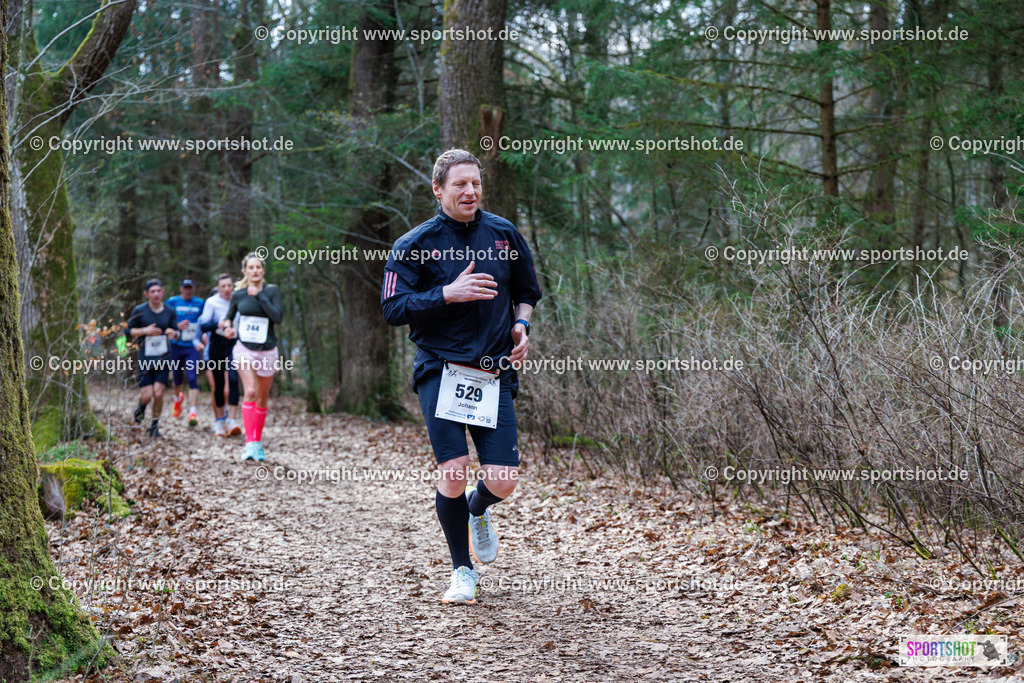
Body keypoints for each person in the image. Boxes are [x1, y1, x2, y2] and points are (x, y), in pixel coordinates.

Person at [381, 149, 541, 605]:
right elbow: (392, 307)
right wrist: (446, 294)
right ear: (438, 189)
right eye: (460, 185)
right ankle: (462, 572)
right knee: (452, 471)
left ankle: (477, 509)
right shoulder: (414, 244)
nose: (470, 191)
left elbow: (528, 292)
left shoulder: (504, 234)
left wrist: (522, 324)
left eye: (476, 183)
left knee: (504, 478)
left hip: (492, 371)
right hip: (440, 369)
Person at [220, 253, 282, 461]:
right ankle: (249, 443)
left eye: (258, 267)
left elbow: (278, 317)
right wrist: (227, 328)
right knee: (251, 391)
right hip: (244, 349)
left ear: (263, 270)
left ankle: (257, 441)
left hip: (267, 349)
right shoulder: (238, 294)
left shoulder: (271, 291)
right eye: (251, 267)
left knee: (262, 399)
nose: (255, 270)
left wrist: (260, 296)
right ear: (244, 271)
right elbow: (228, 318)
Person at [125, 279, 180, 438]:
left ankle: (154, 426)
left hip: (164, 358)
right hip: (145, 359)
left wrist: (173, 333)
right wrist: (145, 331)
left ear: (163, 292)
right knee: (147, 394)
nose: (156, 294)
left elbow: (177, 333)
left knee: (158, 393)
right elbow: (127, 331)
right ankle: (141, 407)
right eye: (152, 291)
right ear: (147, 294)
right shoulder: (140, 310)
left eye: (158, 291)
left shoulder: (169, 311)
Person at [199, 274, 242, 436]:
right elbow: (203, 326)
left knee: (233, 379)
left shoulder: (238, 300)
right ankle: (220, 420)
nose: (226, 289)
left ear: (233, 287)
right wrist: (217, 324)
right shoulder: (212, 302)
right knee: (217, 384)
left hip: (234, 344)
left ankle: (232, 420)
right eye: (223, 286)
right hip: (217, 344)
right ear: (218, 289)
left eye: (229, 286)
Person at [166, 279, 205, 426]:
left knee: (192, 376)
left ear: (193, 289)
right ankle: (177, 399)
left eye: (190, 288)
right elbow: (166, 320)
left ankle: (192, 412)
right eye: (185, 288)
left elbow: (204, 321)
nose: (188, 290)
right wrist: (176, 326)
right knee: (177, 379)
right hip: (176, 345)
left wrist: (204, 335)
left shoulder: (200, 303)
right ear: (181, 288)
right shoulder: (172, 301)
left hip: (192, 346)